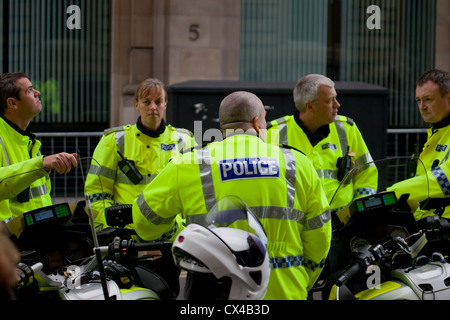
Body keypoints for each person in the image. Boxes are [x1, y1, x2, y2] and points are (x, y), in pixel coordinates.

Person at [132, 91, 332, 300]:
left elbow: (145, 222)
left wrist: (183, 234)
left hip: (214, 293)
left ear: (223, 126)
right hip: (286, 292)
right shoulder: (297, 163)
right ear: (257, 123)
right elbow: (320, 235)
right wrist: (303, 278)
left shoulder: (189, 163)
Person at [85, 78, 196, 231]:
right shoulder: (114, 140)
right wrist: (110, 226)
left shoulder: (184, 141)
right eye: (146, 102)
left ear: (165, 104)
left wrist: (184, 228)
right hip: (126, 231)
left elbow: (194, 190)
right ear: (136, 104)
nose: (153, 107)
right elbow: (97, 191)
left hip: (171, 232)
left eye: (158, 102)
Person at [266, 74, 378, 212]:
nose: (337, 104)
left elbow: (366, 173)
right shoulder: (273, 133)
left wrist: (362, 210)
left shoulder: (347, 129)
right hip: (295, 223)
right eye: (330, 100)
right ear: (310, 106)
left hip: (342, 223)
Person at [0, 72, 77, 222]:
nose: (38, 92)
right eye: (29, 90)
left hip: (35, 237)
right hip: (8, 240)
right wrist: (41, 164)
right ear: (13, 103)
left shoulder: (29, 141)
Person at [387, 69, 450, 220]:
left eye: (428, 99)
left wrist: (393, 194)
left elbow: (444, 180)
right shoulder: (436, 133)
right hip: (429, 227)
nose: (422, 106)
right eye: (418, 100)